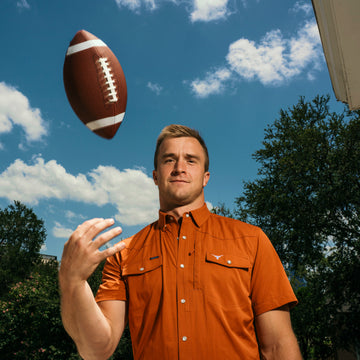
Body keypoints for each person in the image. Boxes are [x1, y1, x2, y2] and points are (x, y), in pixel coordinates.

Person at [59, 124, 302, 360]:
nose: (179, 168)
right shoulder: (124, 254)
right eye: (169, 159)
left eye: (191, 160)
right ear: (155, 176)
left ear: (205, 177)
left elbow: (278, 345)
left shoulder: (252, 240)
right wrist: (73, 282)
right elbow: (97, 351)